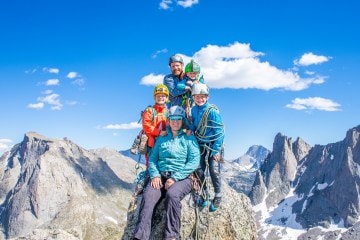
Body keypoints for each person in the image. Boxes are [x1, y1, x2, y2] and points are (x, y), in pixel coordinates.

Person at [133, 105, 200, 240]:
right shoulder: (162, 138)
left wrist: (175, 178)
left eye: (178, 119)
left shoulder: (189, 138)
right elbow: (153, 158)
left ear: (182, 122)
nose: (175, 122)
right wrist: (155, 175)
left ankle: (171, 236)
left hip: (182, 177)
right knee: (149, 196)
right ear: (169, 121)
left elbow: (194, 161)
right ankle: (140, 236)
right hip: (161, 175)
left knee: (172, 194)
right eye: (173, 119)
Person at [188, 83, 225, 212]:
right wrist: (190, 129)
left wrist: (216, 151)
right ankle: (205, 193)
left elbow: (220, 132)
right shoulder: (194, 110)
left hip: (213, 145)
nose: (200, 99)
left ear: (207, 97)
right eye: (198, 97)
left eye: (203, 96)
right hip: (201, 143)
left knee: (214, 169)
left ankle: (218, 195)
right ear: (193, 97)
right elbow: (195, 124)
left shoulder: (212, 111)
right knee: (198, 168)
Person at [141, 83, 169, 168]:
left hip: (164, 143)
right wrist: (159, 132)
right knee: (150, 165)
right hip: (151, 143)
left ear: (166, 98)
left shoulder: (168, 112)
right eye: (158, 96)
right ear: (155, 97)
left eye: (163, 96)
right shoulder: (149, 111)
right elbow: (146, 125)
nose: (160, 97)